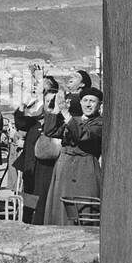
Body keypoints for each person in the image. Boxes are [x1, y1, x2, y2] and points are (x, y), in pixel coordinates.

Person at [44, 88, 102, 225]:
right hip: (64, 168)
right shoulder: (73, 119)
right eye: (85, 100)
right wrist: (56, 111)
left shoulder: (101, 123)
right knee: (60, 207)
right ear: (80, 103)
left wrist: (65, 112)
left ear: (99, 105)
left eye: (92, 101)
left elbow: (82, 135)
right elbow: (50, 131)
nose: (88, 104)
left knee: (84, 206)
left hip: (85, 169)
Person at [14, 76, 65, 223]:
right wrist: (24, 103)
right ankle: (26, 223)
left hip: (46, 169)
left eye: (43, 90)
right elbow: (20, 122)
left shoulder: (57, 119)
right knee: (28, 203)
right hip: (30, 167)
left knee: (42, 203)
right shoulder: (34, 118)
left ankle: (38, 226)